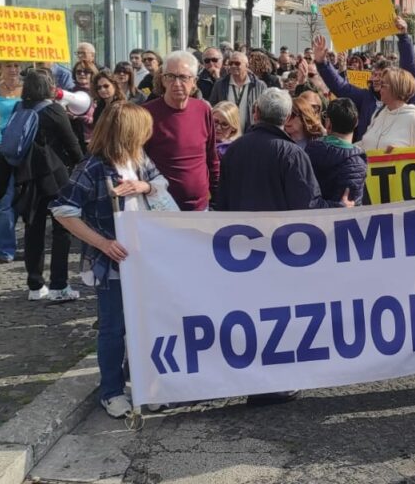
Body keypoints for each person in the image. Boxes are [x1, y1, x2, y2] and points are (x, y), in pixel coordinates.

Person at [215, 89, 353, 406]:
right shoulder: (291, 154)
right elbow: (308, 206)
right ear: (287, 118)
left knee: (251, 314)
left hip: (242, 249)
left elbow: (222, 200)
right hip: (279, 251)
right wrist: (340, 208)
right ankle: (272, 385)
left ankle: (253, 380)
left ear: (256, 114)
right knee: (277, 317)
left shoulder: (234, 151)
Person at [52, 103, 172, 419]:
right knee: (113, 328)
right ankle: (112, 391)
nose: (149, 133)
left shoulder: (139, 159)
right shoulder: (92, 168)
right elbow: (63, 211)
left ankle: (147, 387)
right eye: (143, 128)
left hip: (146, 259)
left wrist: (143, 185)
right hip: (114, 264)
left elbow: (161, 184)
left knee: (146, 326)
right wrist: (102, 243)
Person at [14, 70, 84, 302]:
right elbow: (73, 146)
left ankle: (35, 285)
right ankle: (59, 285)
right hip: (55, 177)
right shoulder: (53, 110)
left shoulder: (19, 108)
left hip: (27, 177)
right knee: (62, 230)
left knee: (33, 231)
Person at [313, 20, 415, 140]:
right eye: (374, 74)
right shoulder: (365, 97)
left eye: (382, 75)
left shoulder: (405, 102)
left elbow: (410, 75)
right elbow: (341, 87)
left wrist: (403, 37)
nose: (377, 79)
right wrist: (322, 63)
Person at [143, 52, 219, 211]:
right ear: (163, 80)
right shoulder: (146, 114)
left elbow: (211, 158)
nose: (177, 83)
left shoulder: (203, 110)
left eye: (183, 77)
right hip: (162, 208)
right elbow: (138, 162)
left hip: (200, 208)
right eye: (170, 76)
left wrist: (216, 195)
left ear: (194, 82)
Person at [0, 60, 24, 263]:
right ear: (1, 69)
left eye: (16, 66)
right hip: (3, 145)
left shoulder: (27, 89)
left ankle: (30, 244)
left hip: (25, 145)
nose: (14, 70)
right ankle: (6, 249)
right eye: (9, 66)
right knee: (5, 199)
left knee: (27, 196)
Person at [305, 98, 367, 205]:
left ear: (328, 123)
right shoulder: (356, 163)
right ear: (356, 122)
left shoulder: (310, 150)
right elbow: (352, 206)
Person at [356, 67, 415, 150]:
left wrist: (402, 155)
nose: (379, 89)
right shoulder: (378, 114)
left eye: (383, 85)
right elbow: (365, 144)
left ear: (396, 88)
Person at [209, 51, 267, 133]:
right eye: (230, 63)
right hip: (226, 135)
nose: (233, 66)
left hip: (251, 133)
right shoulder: (220, 84)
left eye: (237, 63)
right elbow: (213, 106)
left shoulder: (259, 86)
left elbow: (265, 111)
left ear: (247, 66)